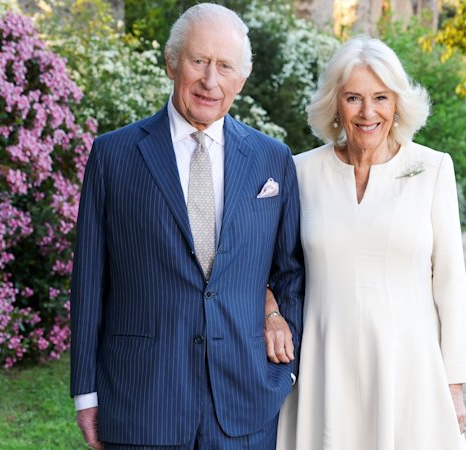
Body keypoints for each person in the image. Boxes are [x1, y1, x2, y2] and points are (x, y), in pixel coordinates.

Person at [69, 4, 305, 449]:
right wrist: (86, 393)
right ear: (171, 62)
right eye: (199, 61)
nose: (210, 80)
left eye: (225, 66)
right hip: (142, 401)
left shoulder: (272, 159)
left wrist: (285, 370)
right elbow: (89, 282)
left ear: (242, 78)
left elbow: (290, 271)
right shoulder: (113, 155)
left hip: (245, 405)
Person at [267, 36, 466, 449]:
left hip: (409, 368)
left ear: (397, 103)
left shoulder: (433, 169)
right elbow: (270, 265)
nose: (368, 112)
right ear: (335, 104)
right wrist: (269, 308)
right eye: (354, 98)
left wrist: (454, 385)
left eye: (381, 97)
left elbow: (451, 283)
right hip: (324, 368)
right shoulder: (300, 172)